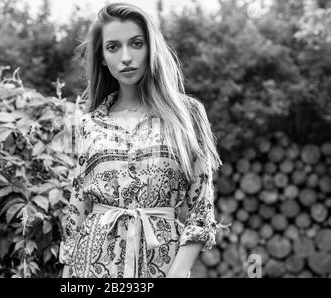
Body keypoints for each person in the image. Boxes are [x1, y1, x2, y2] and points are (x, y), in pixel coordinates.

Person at [59, 2, 223, 278]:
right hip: (91, 269)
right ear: (101, 57)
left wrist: (178, 273)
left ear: (151, 48)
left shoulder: (188, 115)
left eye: (136, 43)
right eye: (113, 47)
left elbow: (201, 211)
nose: (126, 57)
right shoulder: (87, 123)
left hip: (162, 266)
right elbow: (77, 209)